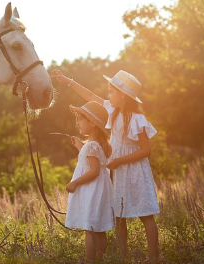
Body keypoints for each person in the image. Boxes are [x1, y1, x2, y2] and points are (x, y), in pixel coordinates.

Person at [52, 69, 160, 262]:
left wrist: (120, 160)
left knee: (145, 214)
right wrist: (68, 81)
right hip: (117, 171)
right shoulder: (112, 111)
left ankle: (154, 257)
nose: (108, 95)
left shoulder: (137, 119)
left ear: (122, 95)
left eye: (111, 92)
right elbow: (90, 96)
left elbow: (146, 150)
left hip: (135, 170)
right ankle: (122, 255)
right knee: (119, 215)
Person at [64, 101, 115, 262]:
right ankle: (100, 259)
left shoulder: (92, 145)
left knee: (90, 229)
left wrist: (75, 182)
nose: (77, 123)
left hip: (93, 190)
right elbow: (92, 163)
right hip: (98, 189)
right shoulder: (95, 145)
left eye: (81, 119)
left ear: (92, 122)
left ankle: (92, 261)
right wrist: (80, 147)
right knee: (98, 229)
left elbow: (94, 171)